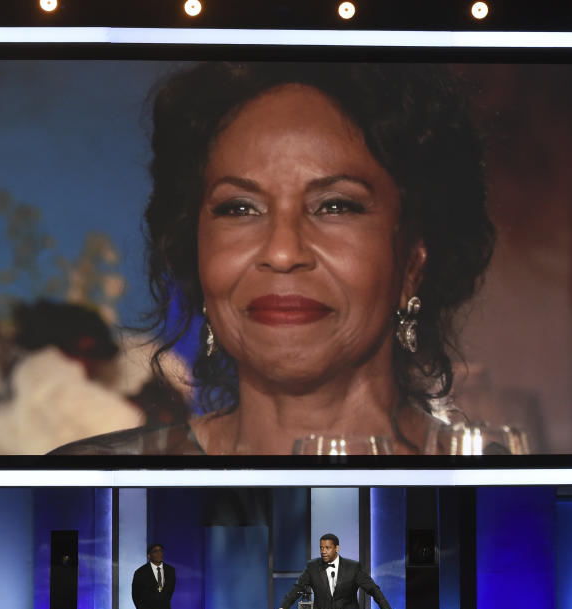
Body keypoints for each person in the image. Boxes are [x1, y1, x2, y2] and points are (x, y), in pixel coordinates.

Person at [51, 61, 495, 455]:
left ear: (414, 262)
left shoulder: (499, 494)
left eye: (336, 205)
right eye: (240, 208)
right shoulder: (94, 485)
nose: (282, 253)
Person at [275, 533, 393, 609]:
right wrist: (283, 608)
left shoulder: (352, 567)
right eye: (321, 548)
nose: (323, 551)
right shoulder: (312, 567)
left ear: (337, 548)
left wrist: (385, 607)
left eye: (327, 548)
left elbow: (372, 589)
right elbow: (297, 588)